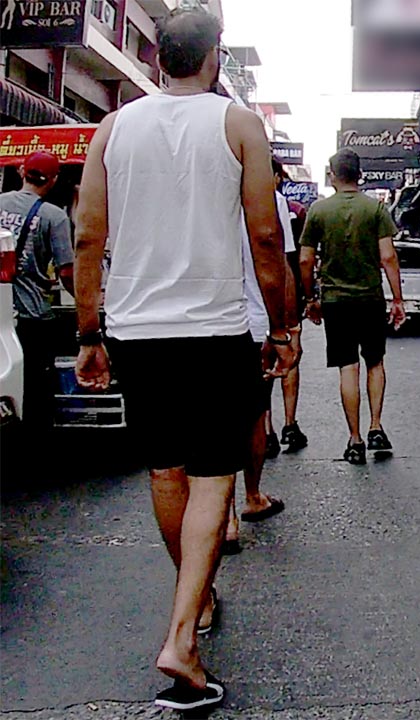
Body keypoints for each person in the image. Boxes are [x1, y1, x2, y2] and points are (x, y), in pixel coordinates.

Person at [72, 10, 297, 711]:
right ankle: (181, 636)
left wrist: (89, 331)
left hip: (136, 331)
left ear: (157, 59)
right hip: (213, 329)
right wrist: (281, 326)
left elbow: (87, 235)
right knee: (212, 478)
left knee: (165, 469)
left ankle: (195, 603)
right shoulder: (238, 125)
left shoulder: (113, 128)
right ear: (214, 57)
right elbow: (265, 236)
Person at [300, 149, 405, 465]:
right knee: (375, 362)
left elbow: (305, 260)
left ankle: (355, 440)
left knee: (348, 367)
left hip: (335, 301)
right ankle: (376, 426)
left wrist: (310, 298)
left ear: (332, 175)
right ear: (360, 175)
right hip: (370, 299)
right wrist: (397, 299)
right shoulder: (376, 209)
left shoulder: (318, 211)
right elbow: (388, 256)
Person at [222, 159, 302, 554]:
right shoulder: (270, 200)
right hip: (252, 324)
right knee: (253, 414)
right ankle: (251, 497)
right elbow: (278, 262)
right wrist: (283, 329)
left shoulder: (195, 190)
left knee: (215, 417)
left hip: (199, 321)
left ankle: (225, 518)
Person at [0, 152, 74, 431]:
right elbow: (66, 271)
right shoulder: (54, 216)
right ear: (53, 180)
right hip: (32, 315)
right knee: (35, 385)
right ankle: (34, 439)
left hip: (2, 310)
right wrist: (85, 300)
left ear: (22, 171)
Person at [264, 158, 308, 458]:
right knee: (288, 357)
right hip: (275, 296)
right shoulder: (281, 204)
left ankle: (267, 430)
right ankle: (288, 424)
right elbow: (286, 259)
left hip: (244, 302)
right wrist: (292, 321)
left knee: (265, 364)